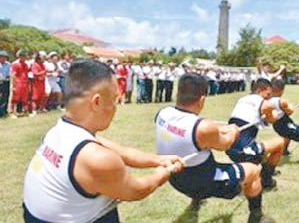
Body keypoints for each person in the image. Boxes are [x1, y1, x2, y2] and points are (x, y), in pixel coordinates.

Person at [22, 59, 183, 222]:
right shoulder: (96, 158)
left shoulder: (60, 131)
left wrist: (159, 160)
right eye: (113, 100)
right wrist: (163, 173)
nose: (115, 107)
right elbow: (136, 190)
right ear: (97, 102)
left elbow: (124, 153)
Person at [156, 73, 273, 223]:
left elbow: (197, 134)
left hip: (174, 178)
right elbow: (225, 143)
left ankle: (196, 201)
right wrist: (233, 131)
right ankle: (257, 216)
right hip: (202, 183)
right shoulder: (202, 127)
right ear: (202, 99)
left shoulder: (163, 113)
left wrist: (224, 129)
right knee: (253, 170)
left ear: (178, 93)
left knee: (196, 160)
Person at [227, 78, 285, 189]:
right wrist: (278, 114)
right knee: (280, 143)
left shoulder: (242, 99)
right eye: (268, 93)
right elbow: (272, 120)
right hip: (244, 151)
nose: (269, 97)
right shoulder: (264, 103)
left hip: (230, 149)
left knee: (261, 149)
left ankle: (263, 170)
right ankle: (267, 180)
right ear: (260, 90)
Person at [270, 79, 299, 162]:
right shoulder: (281, 101)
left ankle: (284, 150)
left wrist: (290, 106)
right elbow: (290, 111)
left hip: (278, 124)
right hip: (283, 125)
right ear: (281, 90)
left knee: (287, 134)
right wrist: (291, 107)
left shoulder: (267, 99)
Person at [9, 49, 30, 118]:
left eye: (24, 56)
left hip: (25, 83)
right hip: (18, 83)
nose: (24, 57)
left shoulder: (26, 64)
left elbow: (27, 74)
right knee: (15, 98)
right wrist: (13, 85)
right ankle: (12, 112)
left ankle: (25, 111)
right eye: (22, 56)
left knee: (25, 98)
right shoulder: (15, 64)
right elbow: (13, 75)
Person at [0, 50, 10, 117]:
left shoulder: (8, 64)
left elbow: (10, 74)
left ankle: (3, 112)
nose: (3, 58)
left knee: (4, 97)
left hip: (5, 82)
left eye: (4, 57)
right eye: (1, 57)